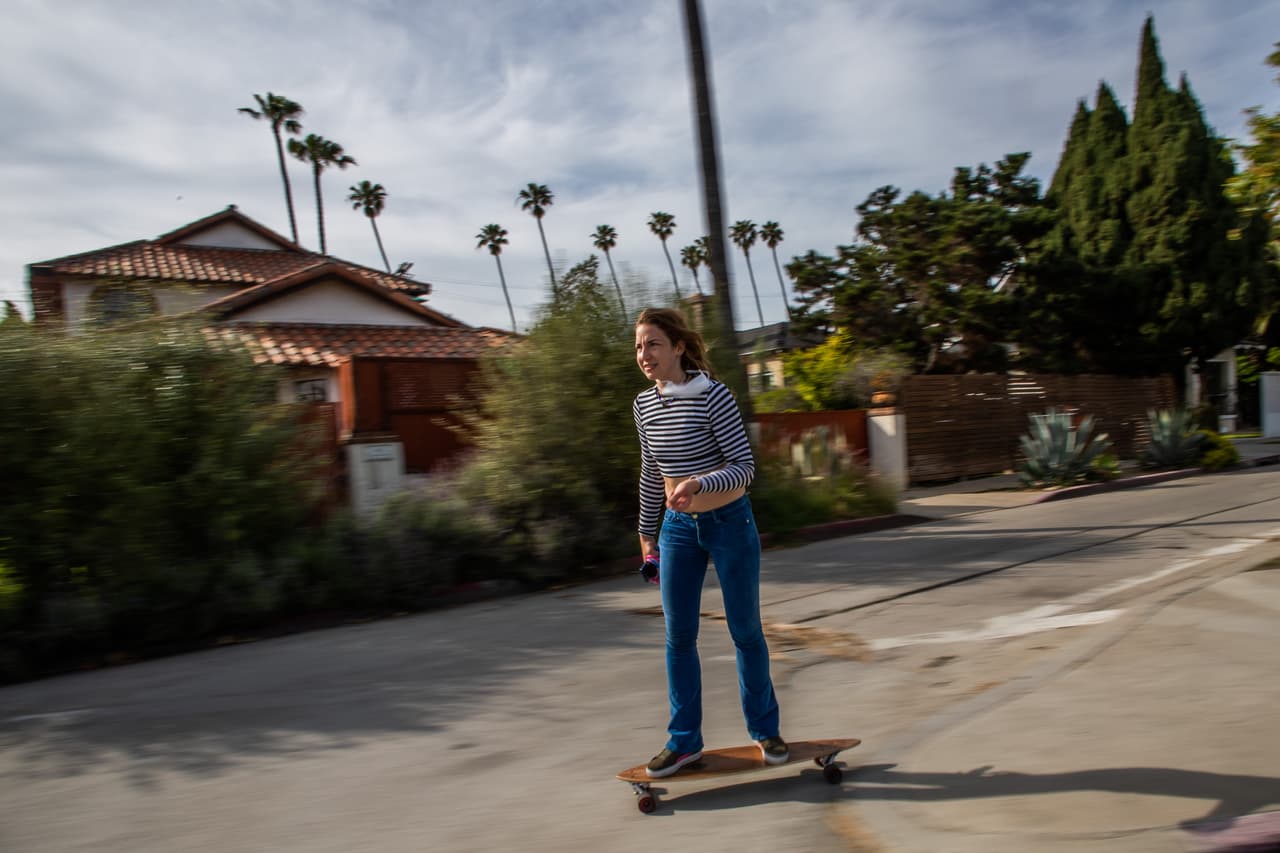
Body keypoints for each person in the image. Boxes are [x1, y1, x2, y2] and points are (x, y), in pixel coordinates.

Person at [632, 306, 787, 779]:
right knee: (678, 638)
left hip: (729, 522)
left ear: (678, 347)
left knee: (745, 631)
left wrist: (699, 484)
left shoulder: (713, 397)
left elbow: (744, 468)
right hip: (676, 532)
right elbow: (650, 471)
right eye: (638, 346)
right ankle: (684, 744)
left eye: (653, 343)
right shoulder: (643, 405)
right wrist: (645, 534)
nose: (644, 354)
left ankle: (765, 730)